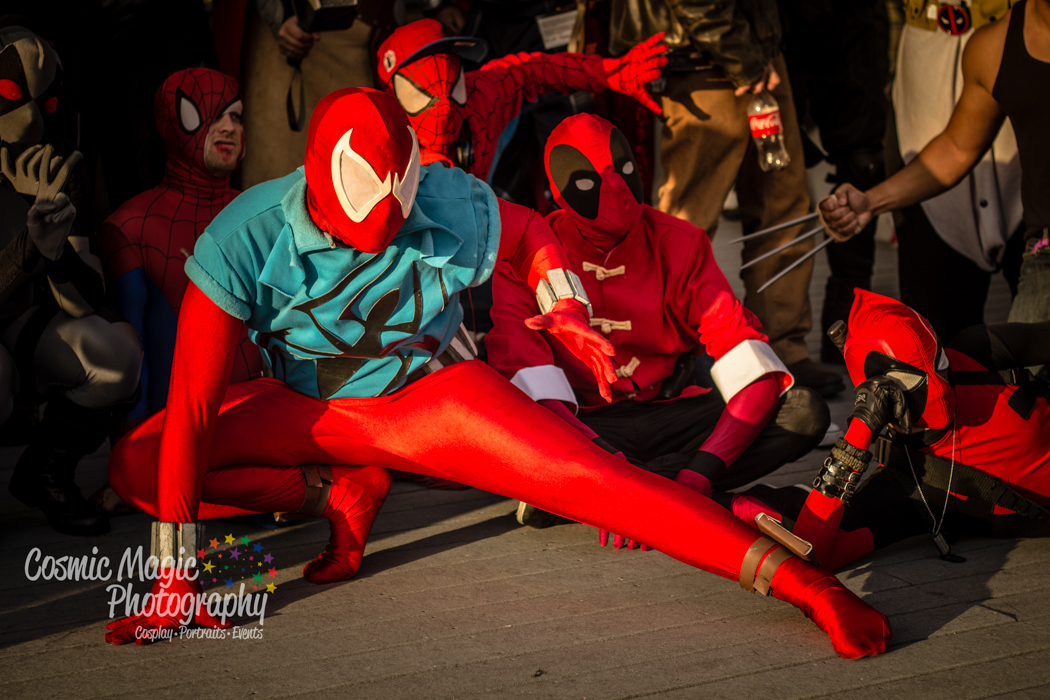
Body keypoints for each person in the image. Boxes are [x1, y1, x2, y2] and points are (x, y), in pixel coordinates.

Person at [103, 88, 888, 659]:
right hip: (305, 410)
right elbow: (193, 406)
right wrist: (176, 580)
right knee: (139, 464)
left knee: (596, 479)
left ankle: (805, 588)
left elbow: (528, 238)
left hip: (428, 402)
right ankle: (337, 492)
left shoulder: (444, 196)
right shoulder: (245, 236)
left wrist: (565, 304)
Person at [486, 113, 829, 532]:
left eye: (623, 171)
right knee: (506, 435)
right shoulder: (524, 256)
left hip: (673, 412)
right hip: (583, 425)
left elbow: (749, 361)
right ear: (558, 192)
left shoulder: (680, 242)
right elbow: (530, 386)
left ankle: (606, 496)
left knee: (802, 413)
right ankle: (702, 499)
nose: (615, 190)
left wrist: (698, 473)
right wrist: (609, 464)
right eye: (589, 182)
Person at [606, 0, 844, 396]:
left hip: (761, 50)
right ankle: (665, 357)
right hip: (699, 57)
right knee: (686, 220)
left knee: (784, 206)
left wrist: (757, 55)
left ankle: (781, 347)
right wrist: (743, 57)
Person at [744, 290, 1050, 570]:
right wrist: (862, 426)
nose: (940, 387)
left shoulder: (975, 353)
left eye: (939, 361)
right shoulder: (908, 488)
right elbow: (814, 550)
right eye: (912, 380)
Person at [820, 0, 1049, 334]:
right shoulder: (994, 46)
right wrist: (870, 202)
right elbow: (957, 148)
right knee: (973, 347)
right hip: (1045, 250)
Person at [0, 24, 142, 536]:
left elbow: (86, 302)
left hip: (23, 323)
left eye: (46, 99)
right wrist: (29, 248)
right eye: (12, 95)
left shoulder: (57, 164)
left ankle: (47, 473)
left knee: (116, 353)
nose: (30, 117)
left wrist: (56, 254)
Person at [100, 69, 264, 425]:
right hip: (175, 428)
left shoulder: (265, 213)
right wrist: (137, 445)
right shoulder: (131, 226)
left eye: (235, 115)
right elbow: (131, 364)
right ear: (172, 123)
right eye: (211, 115)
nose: (228, 127)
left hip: (263, 419)